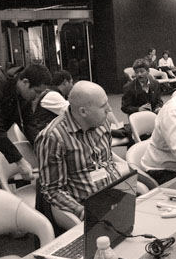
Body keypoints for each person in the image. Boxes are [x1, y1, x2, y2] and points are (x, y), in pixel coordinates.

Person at [36, 81, 128, 220]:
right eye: (103, 106)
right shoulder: (53, 137)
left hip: (113, 196)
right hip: (86, 205)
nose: (109, 109)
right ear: (83, 111)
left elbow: (107, 163)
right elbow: (53, 191)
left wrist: (125, 191)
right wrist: (84, 212)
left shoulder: (103, 124)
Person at [0, 61, 51, 187]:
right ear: (25, 82)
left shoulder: (22, 96)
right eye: (36, 91)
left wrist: (45, 151)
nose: (37, 97)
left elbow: (30, 126)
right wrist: (19, 160)